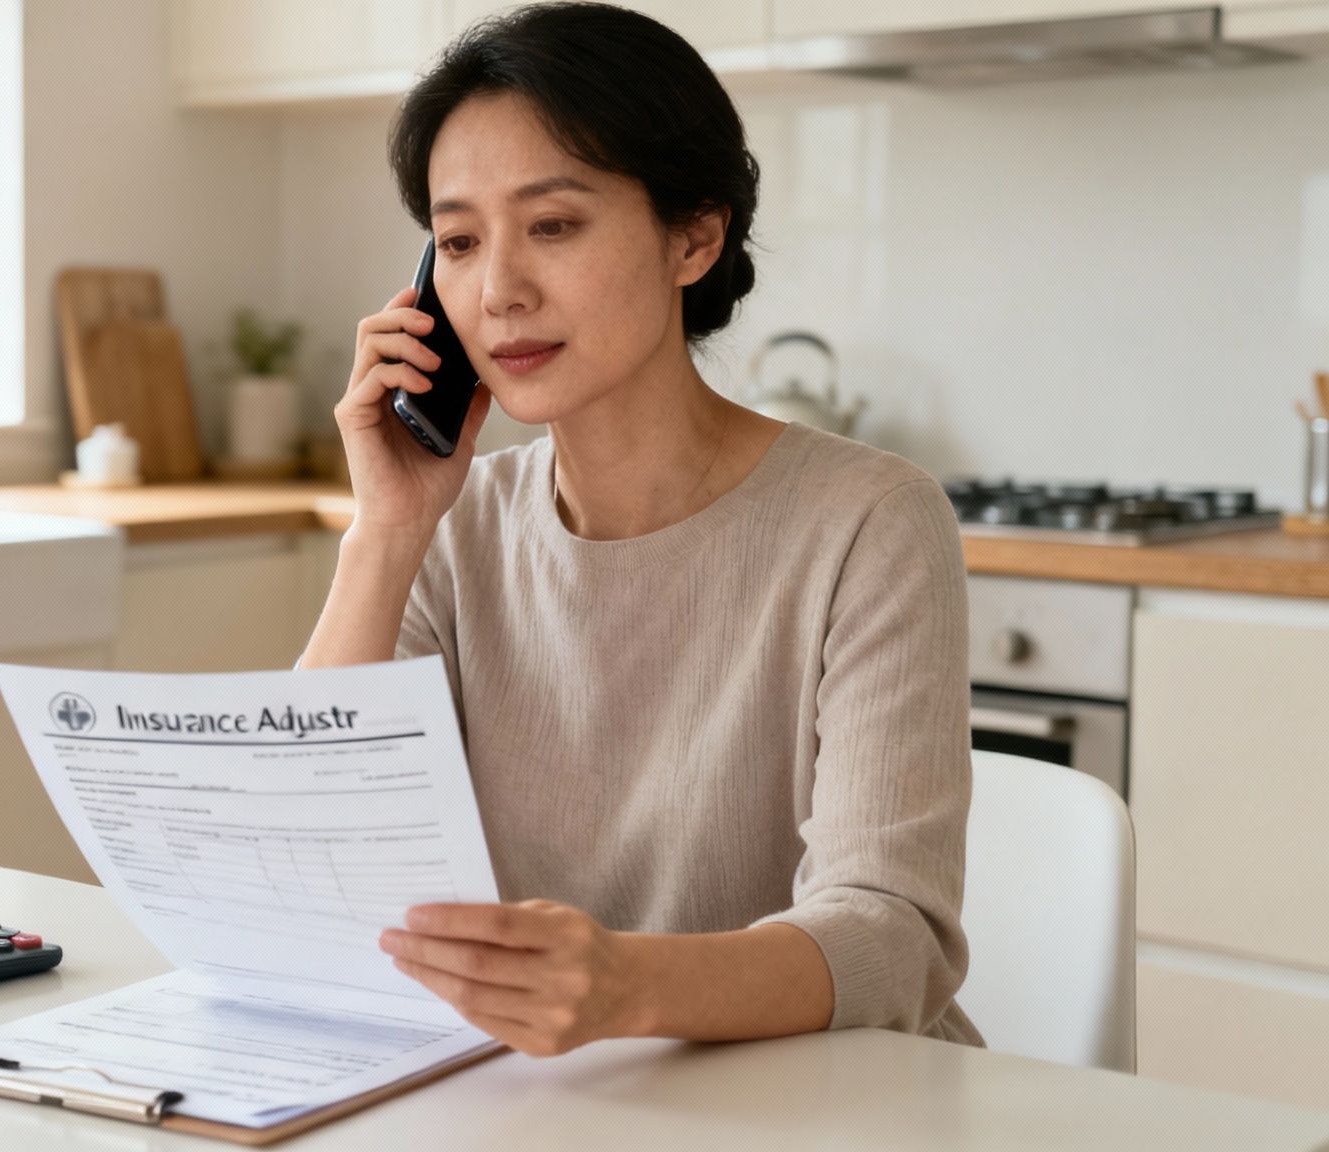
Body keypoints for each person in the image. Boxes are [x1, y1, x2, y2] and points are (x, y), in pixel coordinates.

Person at [299, 1, 981, 1054]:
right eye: (459, 242)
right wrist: (383, 533)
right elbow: (307, 858)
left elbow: (894, 939)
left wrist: (621, 985)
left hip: (824, 1099)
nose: (499, 291)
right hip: (556, 1097)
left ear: (693, 236)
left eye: (553, 225)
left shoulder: (870, 521)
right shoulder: (452, 526)